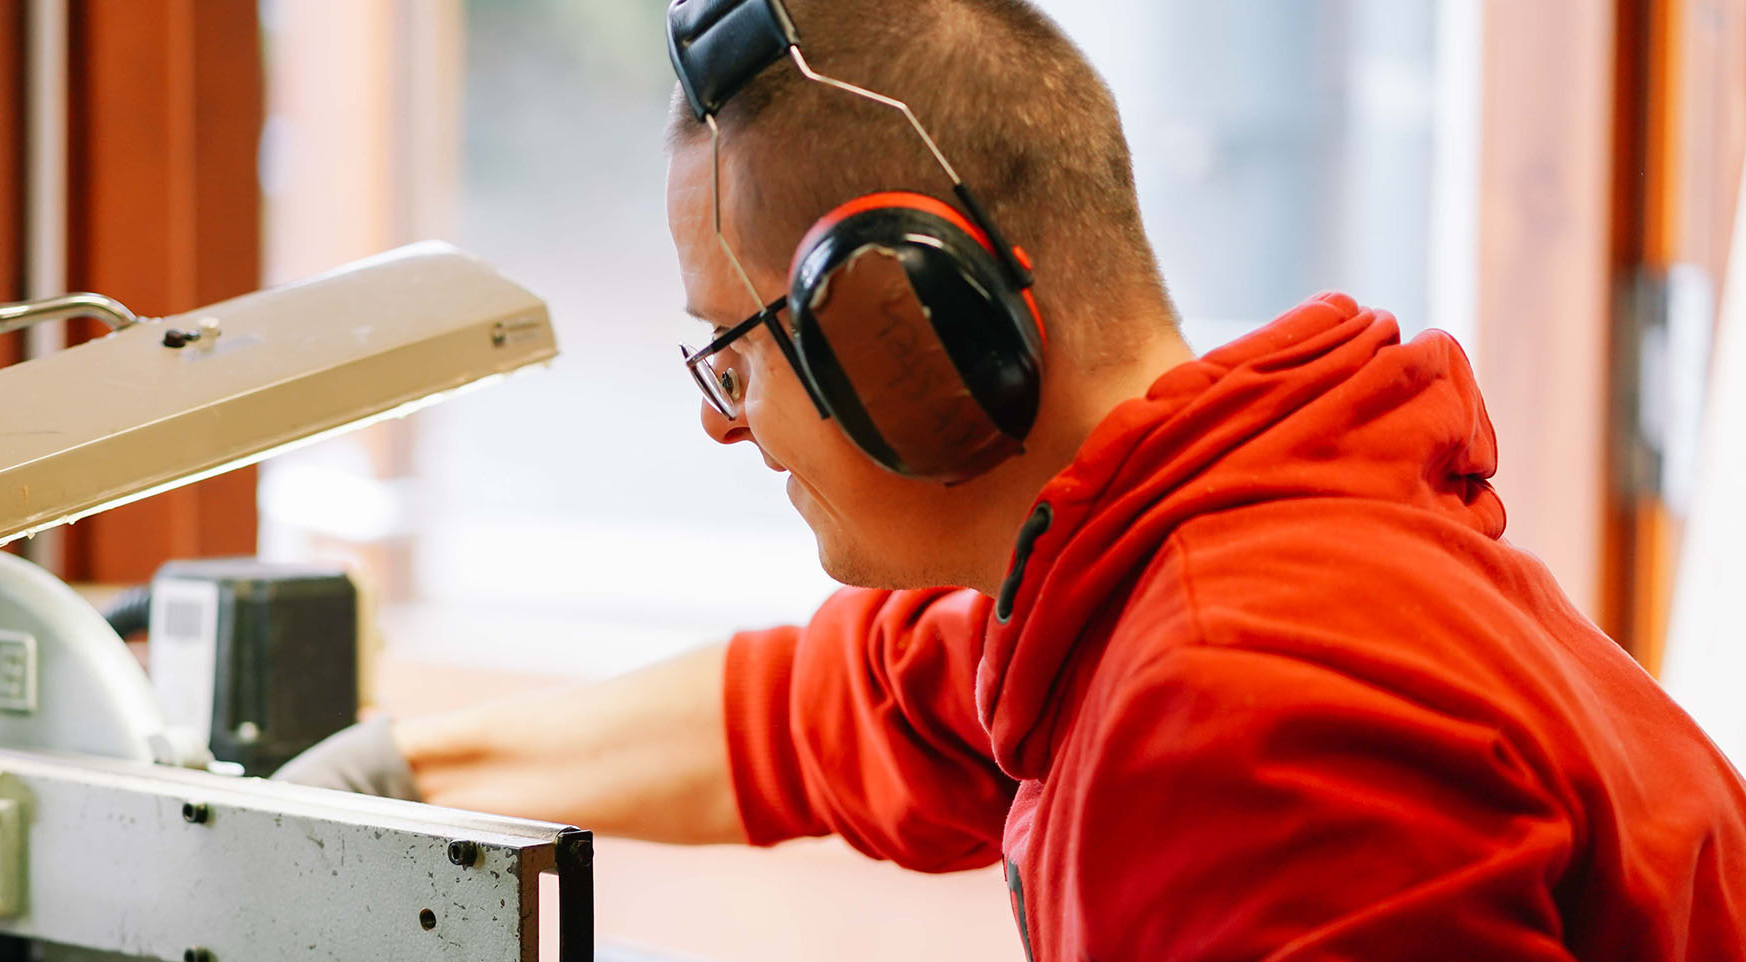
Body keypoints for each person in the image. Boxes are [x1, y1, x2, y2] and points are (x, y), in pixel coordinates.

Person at [276, 0, 1746, 958]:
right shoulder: (1186, 557)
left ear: (908, 320)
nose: (725, 428)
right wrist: (394, 776)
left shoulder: (1240, 713)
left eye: (732, 354)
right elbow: (812, 714)